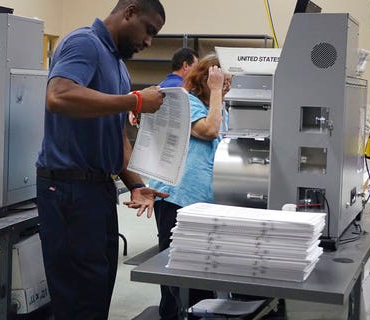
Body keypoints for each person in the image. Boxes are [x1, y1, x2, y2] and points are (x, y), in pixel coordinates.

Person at [35, 0, 169, 318]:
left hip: (97, 191)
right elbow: (58, 96)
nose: (148, 42)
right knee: (76, 296)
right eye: (148, 31)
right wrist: (135, 100)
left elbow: (115, 135)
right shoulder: (84, 43)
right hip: (68, 190)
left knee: (98, 286)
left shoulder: (117, 64)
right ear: (130, 12)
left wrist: (135, 184)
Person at [148, 55, 232, 320]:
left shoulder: (216, 106)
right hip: (177, 198)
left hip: (201, 201)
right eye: (222, 80)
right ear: (205, 79)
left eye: (229, 81)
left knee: (197, 273)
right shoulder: (187, 102)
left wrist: (219, 95)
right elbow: (209, 130)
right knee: (175, 271)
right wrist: (217, 91)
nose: (226, 85)